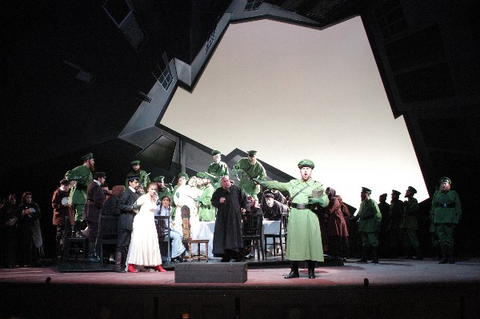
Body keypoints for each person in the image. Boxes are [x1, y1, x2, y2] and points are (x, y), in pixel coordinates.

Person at [255, 159, 329, 279]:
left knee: (310, 242)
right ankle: (294, 271)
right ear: (300, 171)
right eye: (303, 169)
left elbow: (324, 201)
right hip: (295, 214)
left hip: (309, 214)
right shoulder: (293, 184)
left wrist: (318, 200)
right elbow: (277, 184)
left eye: (308, 169)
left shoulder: (315, 185)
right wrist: (263, 182)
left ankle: (311, 271)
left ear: (311, 171)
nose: (305, 171)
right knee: (294, 242)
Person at [126, 182, 166, 273]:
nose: (153, 191)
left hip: (150, 222)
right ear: (148, 189)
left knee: (152, 242)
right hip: (141, 221)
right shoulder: (143, 197)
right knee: (139, 242)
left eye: (155, 189)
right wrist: (141, 215)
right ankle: (131, 264)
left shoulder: (154, 198)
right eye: (151, 189)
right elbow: (134, 207)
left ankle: (157, 264)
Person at [211, 176, 247, 262]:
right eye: (224, 181)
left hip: (234, 217)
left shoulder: (236, 189)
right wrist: (219, 201)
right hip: (223, 218)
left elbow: (244, 199)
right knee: (223, 236)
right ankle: (226, 256)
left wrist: (244, 207)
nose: (227, 183)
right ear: (221, 183)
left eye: (227, 181)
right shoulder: (218, 191)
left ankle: (238, 255)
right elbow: (213, 201)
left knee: (235, 236)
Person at [430, 177, 461, 264]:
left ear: (449, 185)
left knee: (449, 238)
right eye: (442, 184)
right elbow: (433, 205)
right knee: (441, 238)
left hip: (449, 217)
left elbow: (457, 205)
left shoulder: (453, 193)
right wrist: (432, 214)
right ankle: (444, 257)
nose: (443, 185)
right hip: (439, 217)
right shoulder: (437, 194)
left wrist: (458, 215)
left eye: (445, 184)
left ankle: (451, 257)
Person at [65, 152, 95, 237]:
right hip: (79, 197)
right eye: (92, 160)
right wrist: (79, 179)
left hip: (84, 197)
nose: (94, 162)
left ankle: (79, 231)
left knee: (84, 215)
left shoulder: (89, 171)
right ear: (88, 160)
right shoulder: (81, 168)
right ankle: (76, 232)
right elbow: (68, 175)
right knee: (79, 215)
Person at [116, 175, 140, 272]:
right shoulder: (127, 192)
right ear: (130, 183)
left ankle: (123, 265)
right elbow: (120, 205)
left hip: (130, 221)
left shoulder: (134, 193)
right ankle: (118, 266)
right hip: (125, 220)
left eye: (137, 182)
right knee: (122, 243)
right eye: (135, 182)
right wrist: (131, 208)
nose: (136, 184)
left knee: (126, 244)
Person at [15, 192, 43, 266]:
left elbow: (39, 215)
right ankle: (23, 261)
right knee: (24, 244)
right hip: (24, 228)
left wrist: (31, 213)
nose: (29, 199)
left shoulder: (34, 205)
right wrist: (23, 213)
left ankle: (33, 260)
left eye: (30, 197)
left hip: (33, 227)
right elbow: (17, 216)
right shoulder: (21, 206)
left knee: (34, 244)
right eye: (27, 197)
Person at [84, 171, 107, 262]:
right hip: (93, 213)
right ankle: (90, 255)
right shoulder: (96, 187)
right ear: (99, 178)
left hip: (89, 212)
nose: (104, 180)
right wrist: (102, 205)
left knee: (92, 232)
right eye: (103, 178)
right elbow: (98, 202)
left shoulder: (91, 185)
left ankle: (91, 254)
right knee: (93, 233)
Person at [356, 187, 382, 264]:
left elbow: (378, 214)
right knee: (365, 242)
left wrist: (377, 224)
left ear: (367, 194)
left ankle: (375, 258)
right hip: (363, 225)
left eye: (363, 193)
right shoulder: (363, 203)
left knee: (374, 241)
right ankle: (364, 258)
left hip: (371, 225)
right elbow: (359, 214)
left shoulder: (372, 202)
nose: (361, 194)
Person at [157, 195, 186, 262]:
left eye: (167, 200)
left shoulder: (167, 209)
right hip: (162, 230)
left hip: (168, 229)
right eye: (164, 200)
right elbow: (162, 221)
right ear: (161, 201)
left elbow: (169, 221)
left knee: (180, 235)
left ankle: (175, 253)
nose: (165, 202)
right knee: (176, 236)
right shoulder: (159, 209)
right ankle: (175, 255)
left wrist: (172, 223)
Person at [51, 179, 74, 259]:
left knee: (68, 235)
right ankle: (58, 253)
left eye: (68, 186)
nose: (67, 187)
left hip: (69, 217)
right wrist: (63, 205)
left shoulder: (70, 193)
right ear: (62, 186)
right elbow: (54, 205)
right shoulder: (57, 193)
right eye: (65, 186)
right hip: (60, 218)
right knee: (59, 235)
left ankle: (66, 253)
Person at [324, 187, 349, 260]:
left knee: (338, 239)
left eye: (328, 192)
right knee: (333, 239)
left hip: (337, 223)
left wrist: (325, 214)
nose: (327, 193)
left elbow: (330, 210)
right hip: (333, 223)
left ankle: (340, 256)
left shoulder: (335, 200)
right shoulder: (329, 200)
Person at [400, 186, 422, 260]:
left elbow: (413, 210)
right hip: (406, 223)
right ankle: (408, 254)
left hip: (411, 223)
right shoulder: (408, 201)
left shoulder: (413, 201)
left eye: (408, 191)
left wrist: (407, 206)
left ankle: (419, 254)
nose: (406, 192)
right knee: (407, 240)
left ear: (411, 193)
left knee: (413, 239)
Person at [0, 197, 18, 268]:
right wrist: (6, 223)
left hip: (11, 232)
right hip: (4, 232)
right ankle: (6, 263)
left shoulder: (11, 211)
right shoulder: (3, 211)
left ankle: (11, 262)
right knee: (6, 248)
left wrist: (14, 220)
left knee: (11, 248)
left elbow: (15, 218)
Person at [388, 189, 404, 258]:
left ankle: (401, 253)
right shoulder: (392, 203)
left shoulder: (399, 203)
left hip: (398, 223)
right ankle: (394, 253)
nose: (392, 196)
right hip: (393, 223)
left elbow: (400, 213)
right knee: (393, 239)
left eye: (393, 195)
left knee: (400, 238)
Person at [378, 193, 391, 258]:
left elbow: (389, 216)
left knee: (385, 240)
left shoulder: (387, 206)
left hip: (384, 224)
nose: (380, 199)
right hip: (380, 224)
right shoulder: (378, 206)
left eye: (381, 198)